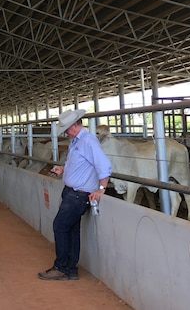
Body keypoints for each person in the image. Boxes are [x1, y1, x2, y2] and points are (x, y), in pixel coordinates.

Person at [38, 108, 112, 281]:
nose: (64, 131)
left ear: (73, 126)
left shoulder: (88, 141)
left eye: (65, 128)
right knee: (71, 230)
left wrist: (101, 188)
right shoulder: (76, 141)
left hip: (78, 195)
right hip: (72, 192)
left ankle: (61, 268)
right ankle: (70, 269)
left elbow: (104, 165)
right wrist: (63, 169)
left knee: (60, 226)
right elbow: (80, 164)